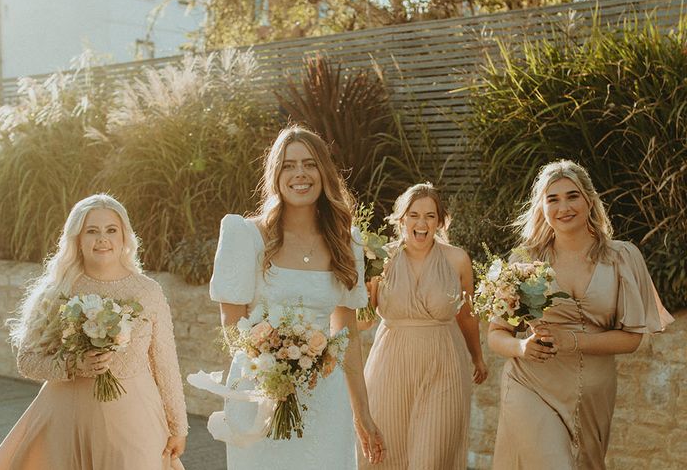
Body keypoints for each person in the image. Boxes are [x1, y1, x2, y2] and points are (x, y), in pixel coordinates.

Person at [205, 125, 385, 469]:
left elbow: (346, 336)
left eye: (309, 164)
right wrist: (269, 366)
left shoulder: (347, 243)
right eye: (288, 165)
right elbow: (232, 322)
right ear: (275, 175)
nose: (299, 174)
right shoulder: (247, 236)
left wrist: (362, 412)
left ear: (324, 173)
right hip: (261, 389)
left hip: (324, 394)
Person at [488, 160, 673, 469]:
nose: (564, 207)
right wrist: (521, 347)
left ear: (589, 200)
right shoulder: (522, 260)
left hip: (594, 393)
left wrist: (570, 339)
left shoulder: (622, 258)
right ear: (541, 207)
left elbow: (632, 340)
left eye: (572, 196)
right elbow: (496, 335)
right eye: (553, 199)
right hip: (529, 383)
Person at [0, 194, 189, 470]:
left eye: (111, 230)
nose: (102, 239)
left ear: (124, 238)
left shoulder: (148, 292)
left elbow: (165, 363)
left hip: (135, 417)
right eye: (91, 231)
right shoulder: (58, 290)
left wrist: (179, 425)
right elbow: (27, 361)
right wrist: (75, 364)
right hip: (67, 417)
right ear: (78, 240)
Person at [359, 183, 488, 470]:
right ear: (401, 219)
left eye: (430, 216)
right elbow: (365, 319)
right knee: (386, 455)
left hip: (444, 364)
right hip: (390, 365)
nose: (422, 223)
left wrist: (477, 356)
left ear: (440, 221)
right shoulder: (379, 259)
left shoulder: (457, 259)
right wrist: (357, 286)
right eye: (414, 215)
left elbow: (466, 315)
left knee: (432, 457)